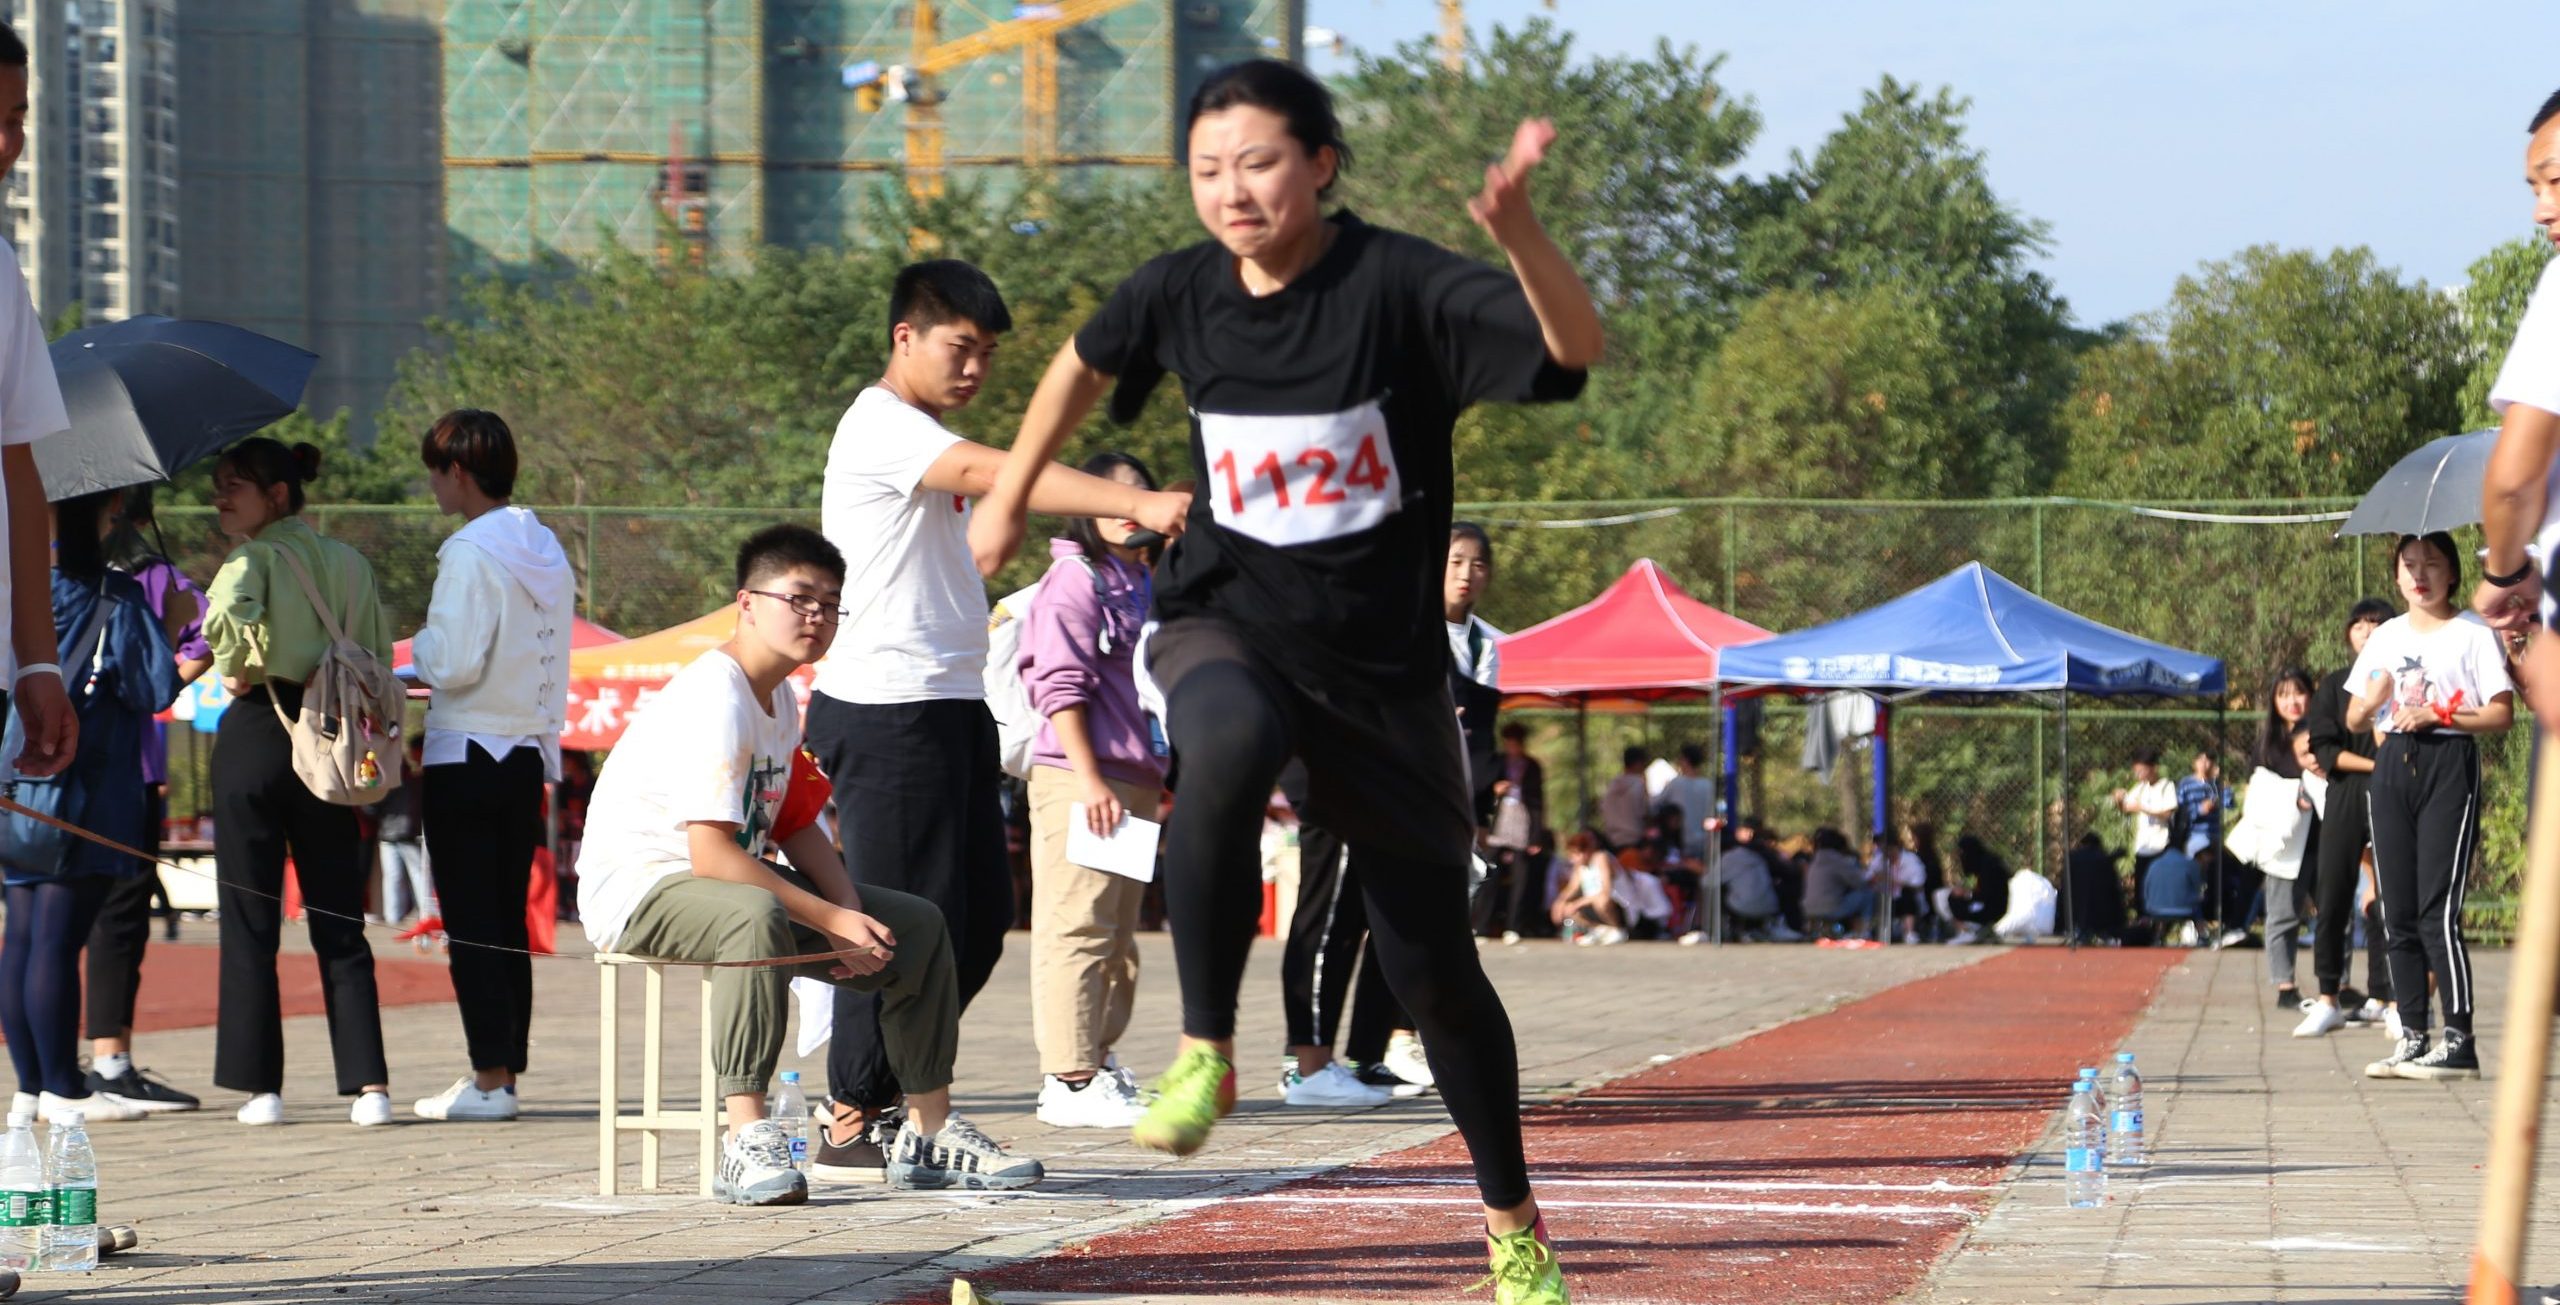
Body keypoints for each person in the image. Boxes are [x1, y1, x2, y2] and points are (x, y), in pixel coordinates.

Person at [966, 59, 1602, 1297]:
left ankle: (1512, 1217)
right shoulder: (1181, 292)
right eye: (1207, 170)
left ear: (1318, 163)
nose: (1232, 191)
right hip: (1227, 619)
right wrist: (1005, 496)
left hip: (1381, 678)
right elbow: (1078, 365)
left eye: (1258, 162)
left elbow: (1569, 356)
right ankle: (1207, 1049)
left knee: (1433, 968)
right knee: (1222, 740)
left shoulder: (1398, 284)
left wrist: (1516, 231)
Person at [802, 260, 1189, 1179]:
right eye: (958, 348)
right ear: (905, 338)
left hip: (951, 706)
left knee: (972, 930)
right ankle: (854, 1114)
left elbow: (981, 491)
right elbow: (992, 469)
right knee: (889, 932)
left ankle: (884, 1099)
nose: (975, 368)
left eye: (987, 354)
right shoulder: (880, 425)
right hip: (888, 708)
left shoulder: (925, 437)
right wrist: (1132, 500)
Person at [576, 525, 1039, 1205]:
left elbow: (795, 822)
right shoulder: (717, 693)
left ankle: (928, 1130)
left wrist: (851, 914)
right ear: (746, 601)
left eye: (830, 602)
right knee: (754, 913)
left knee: (914, 925)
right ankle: (746, 1139)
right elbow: (710, 852)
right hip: (644, 888)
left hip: (723, 884)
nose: (816, 616)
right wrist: (827, 921)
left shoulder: (782, 698)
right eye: (799, 598)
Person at [200, 439, 396, 1126]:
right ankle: (369, 1085)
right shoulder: (348, 562)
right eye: (220, 485)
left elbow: (228, 648)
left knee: (251, 916)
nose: (221, 497)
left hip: (259, 730)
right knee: (340, 916)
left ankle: (263, 1088)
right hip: (334, 739)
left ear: (276, 494)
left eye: (236, 486)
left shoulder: (248, 558)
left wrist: (235, 656)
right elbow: (376, 648)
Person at [404, 410, 575, 1123]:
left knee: (471, 919)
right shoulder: (546, 546)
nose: (434, 485)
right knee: (505, 919)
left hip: (466, 749)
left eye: (437, 471)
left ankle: (490, 1076)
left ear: (460, 471)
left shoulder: (470, 550)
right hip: (525, 755)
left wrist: (410, 648)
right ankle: (502, 1070)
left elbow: (454, 659)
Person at [0, 490, 179, 1124]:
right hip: (92, 787)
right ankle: (64, 1092)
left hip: (20, 785)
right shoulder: (115, 595)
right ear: (98, 517)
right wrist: (179, 622)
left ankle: (30, 1088)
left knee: (21, 938)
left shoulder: (19, 591)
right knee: (57, 940)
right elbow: (154, 685)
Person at [1019, 450, 1168, 1129]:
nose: (1123, 505)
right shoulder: (1073, 578)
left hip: (1134, 778)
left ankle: (1098, 1060)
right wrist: (1085, 777)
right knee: (1076, 923)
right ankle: (1069, 1078)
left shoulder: (1142, 581)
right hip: (1082, 775)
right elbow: (1059, 683)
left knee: (1116, 934)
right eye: (1107, 494)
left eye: (1136, 494)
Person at [2347, 532, 2514, 1081]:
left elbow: (2500, 715)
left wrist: (2443, 718)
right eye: (2409, 565)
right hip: (2393, 762)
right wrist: (2371, 704)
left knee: (2436, 910)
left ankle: (2459, 1039)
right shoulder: (2386, 635)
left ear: (2451, 574)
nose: (2419, 576)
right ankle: (2412, 1035)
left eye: (2432, 565)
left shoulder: (2472, 632)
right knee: (2395, 908)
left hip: (2448, 762)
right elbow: (2353, 718)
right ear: (2396, 575)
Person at [82, 484, 210, 1114]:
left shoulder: (40, 567)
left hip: (55, 769)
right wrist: (162, 661)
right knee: (118, 917)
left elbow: (201, 644)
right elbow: (201, 639)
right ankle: (107, 1062)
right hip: (124, 770)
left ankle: (60, 1072)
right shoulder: (150, 579)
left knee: (51, 920)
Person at [0, 24, 76, 796]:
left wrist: (38, 660)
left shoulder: (1, 270)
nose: (5, 140)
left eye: (17, 116)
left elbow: (19, 471)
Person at [2295, 598, 2397, 1038]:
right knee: (2333, 892)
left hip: (2395, 794)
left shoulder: (2404, 681)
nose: (2369, 631)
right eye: (2360, 625)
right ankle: (2328, 997)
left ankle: (2393, 999)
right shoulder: (2335, 686)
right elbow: (2324, 750)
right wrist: (2374, 766)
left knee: (2391, 897)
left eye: (2378, 623)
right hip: (2346, 793)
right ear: (2349, 635)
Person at [2236, 669, 2317, 1010]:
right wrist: (2293, 796)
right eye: (2283, 695)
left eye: (2298, 693)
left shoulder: (2325, 732)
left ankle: (2337, 984)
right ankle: (2285, 985)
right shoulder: (2268, 743)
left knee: (2335, 912)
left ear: (2310, 696)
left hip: (2323, 831)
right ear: (2273, 701)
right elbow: (2256, 789)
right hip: (2284, 841)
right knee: (2283, 912)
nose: (2292, 701)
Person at [1489, 723, 1548, 942]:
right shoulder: (1496, 763)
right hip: (1498, 818)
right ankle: (1482, 925)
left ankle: (1514, 926)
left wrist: (1536, 836)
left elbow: (1538, 802)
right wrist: (1495, 790)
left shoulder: (1532, 766)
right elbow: (1482, 789)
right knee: (1489, 872)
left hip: (1522, 820)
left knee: (1521, 877)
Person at [371, 742, 432, 925]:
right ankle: (419, 915)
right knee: (412, 875)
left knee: (400, 876)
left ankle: (401, 916)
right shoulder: (412, 780)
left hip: (398, 832)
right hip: (400, 832)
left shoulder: (398, 781)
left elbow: (374, 806)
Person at [2111, 749, 2177, 887]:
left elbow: (2167, 814)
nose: (2138, 774)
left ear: (2154, 768)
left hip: (2161, 847)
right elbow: (2125, 808)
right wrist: (2119, 799)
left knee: (2159, 887)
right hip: (2142, 847)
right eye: (2136, 771)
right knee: (2141, 889)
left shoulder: (2166, 786)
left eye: (2141, 770)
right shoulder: (2141, 787)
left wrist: (2143, 808)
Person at [1547, 833, 1625, 944]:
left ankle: (1617, 929)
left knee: (1601, 901)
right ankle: (1600, 929)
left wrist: (1578, 903)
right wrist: (1559, 902)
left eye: (1576, 854)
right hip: (1592, 902)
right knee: (1568, 908)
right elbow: (1572, 888)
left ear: (1587, 851)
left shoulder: (1601, 858)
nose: (1573, 859)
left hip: (1617, 903)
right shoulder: (1580, 865)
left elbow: (1606, 891)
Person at [1800, 828, 1876, 937]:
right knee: (1867, 895)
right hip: (1830, 908)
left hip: (1808, 908)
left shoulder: (1815, 860)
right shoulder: (1838, 860)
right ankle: (1863, 931)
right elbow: (1860, 882)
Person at [1943, 835, 2011, 944]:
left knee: (1953, 899)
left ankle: (1968, 931)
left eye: (1962, 853)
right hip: (1995, 906)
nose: (1961, 857)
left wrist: (1967, 894)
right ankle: (1985, 931)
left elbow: (1987, 895)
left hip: (1991, 908)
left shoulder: (1988, 867)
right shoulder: (1987, 862)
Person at [2138, 845, 2204, 942]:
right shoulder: (2189, 863)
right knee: (2198, 909)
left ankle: (2158, 935)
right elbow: (2197, 886)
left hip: (2155, 909)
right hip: (2185, 909)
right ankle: (2202, 935)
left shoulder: (2154, 864)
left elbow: (2145, 888)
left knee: (2161, 914)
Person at [1598, 746, 1650, 853]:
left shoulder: (1612, 785)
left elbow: (1602, 809)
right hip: (1634, 842)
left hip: (1612, 842)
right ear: (1638, 763)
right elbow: (1645, 813)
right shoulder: (1639, 784)